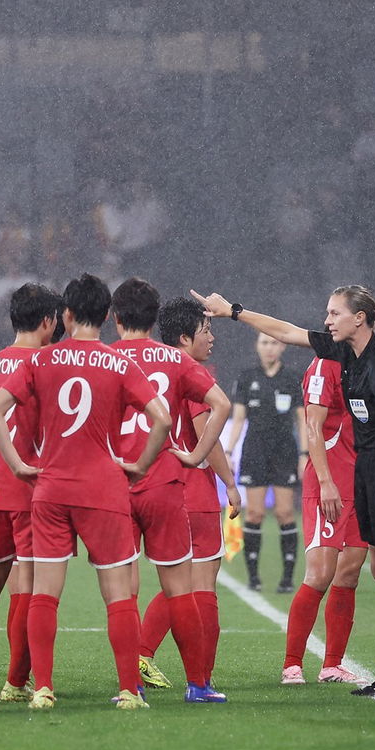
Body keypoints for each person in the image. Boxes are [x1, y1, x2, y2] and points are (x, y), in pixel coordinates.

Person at [191, 285, 375, 699]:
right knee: (338, 572)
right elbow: (287, 335)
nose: (327, 320)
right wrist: (233, 311)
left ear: (359, 319)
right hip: (343, 480)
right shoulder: (333, 356)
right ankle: (299, 664)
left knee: (370, 571)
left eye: (335, 313)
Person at [0, 273, 172, 711]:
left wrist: (16, 464)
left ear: (66, 315)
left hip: (50, 487)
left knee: (45, 593)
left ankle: (43, 688)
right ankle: (128, 690)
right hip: (103, 489)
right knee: (118, 594)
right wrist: (140, 465)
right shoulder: (121, 363)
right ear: (107, 316)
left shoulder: (41, 360)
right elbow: (161, 418)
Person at [111, 279, 232, 698]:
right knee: (182, 588)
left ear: (116, 316)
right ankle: (198, 684)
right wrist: (196, 456)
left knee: (124, 590)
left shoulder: (105, 359)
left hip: (117, 484)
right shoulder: (174, 360)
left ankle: (130, 688)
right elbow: (222, 406)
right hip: (166, 482)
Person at [135, 297, 244, 703]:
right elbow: (204, 433)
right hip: (192, 485)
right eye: (205, 331)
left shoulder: (149, 365)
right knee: (202, 589)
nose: (211, 338)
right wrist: (229, 483)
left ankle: (141, 654)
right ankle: (202, 679)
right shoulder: (190, 371)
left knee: (175, 583)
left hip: (158, 481)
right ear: (185, 338)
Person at [0, 282, 61, 702]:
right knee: (27, 584)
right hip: (28, 484)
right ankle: (16, 681)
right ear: (48, 321)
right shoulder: (47, 365)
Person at [280, 347, 369, 685]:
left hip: (361, 480)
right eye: (330, 315)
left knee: (349, 574)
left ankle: (332, 665)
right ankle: (292, 664)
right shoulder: (323, 365)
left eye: (336, 314)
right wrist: (327, 481)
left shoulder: (369, 362)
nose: (330, 320)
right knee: (319, 574)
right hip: (328, 481)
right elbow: (313, 425)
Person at [228, 332, 303, 592]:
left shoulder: (293, 378)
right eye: (264, 343)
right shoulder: (247, 377)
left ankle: (287, 579)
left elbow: (301, 420)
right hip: (254, 450)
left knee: (284, 512)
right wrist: (228, 451)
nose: (269, 348)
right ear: (257, 346)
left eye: (274, 343)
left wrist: (304, 455)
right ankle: (253, 578)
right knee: (255, 513)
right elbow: (238, 419)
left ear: (282, 346)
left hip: (284, 451)